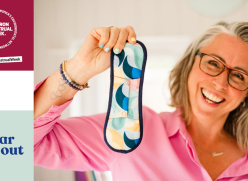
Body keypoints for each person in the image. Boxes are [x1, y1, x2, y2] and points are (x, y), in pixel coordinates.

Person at [34, 22, 248, 181]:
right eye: (213, 63)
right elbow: (15, 141)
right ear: (189, 65)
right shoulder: (129, 127)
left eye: (239, 76)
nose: (220, 83)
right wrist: (77, 70)